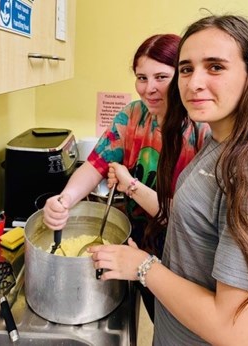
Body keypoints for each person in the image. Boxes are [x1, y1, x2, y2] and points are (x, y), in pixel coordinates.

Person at [89, 14, 248, 345]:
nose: (194, 83)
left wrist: (143, 267)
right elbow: (190, 219)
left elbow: (235, 332)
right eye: (186, 69)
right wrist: (132, 188)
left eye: (215, 67)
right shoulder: (220, 141)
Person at [42, 33, 210, 322]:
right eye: (141, 78)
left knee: (183, 325)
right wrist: (64, 200)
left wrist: (130, 185)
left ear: (183, 76)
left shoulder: (200, 129)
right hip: (140, 246)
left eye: (161, 77)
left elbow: (185, 215)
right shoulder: (133, 115)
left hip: (183, 254)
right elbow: (95, 165)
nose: (150, 89)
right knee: (158, 320)